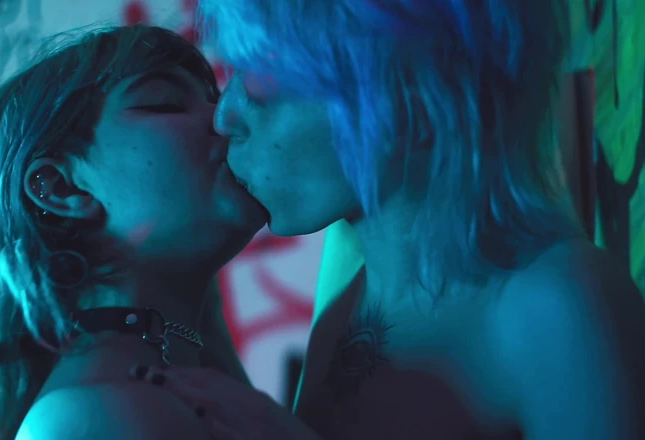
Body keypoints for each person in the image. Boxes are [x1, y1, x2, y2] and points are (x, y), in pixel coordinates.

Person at [128, 1, 645, 439]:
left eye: (264, 84)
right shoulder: (350, 278)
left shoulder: (556, 303)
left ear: (409, 92)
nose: (225, 116)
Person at [0, 25, 267, 440]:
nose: (225, 117)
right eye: (165, 102)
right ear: (60, 188)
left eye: (213, 98)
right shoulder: (91, 418)